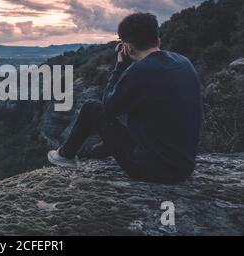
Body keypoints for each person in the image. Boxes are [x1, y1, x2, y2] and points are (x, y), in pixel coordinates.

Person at [48, 12, 203, 184]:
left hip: (152, 171)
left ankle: (65, 155)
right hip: (184, 167)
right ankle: (99, 152)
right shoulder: (183, 62)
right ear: (158, 40)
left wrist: (120, 67)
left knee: (92, 108)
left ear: (128, 48)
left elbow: (108, 108)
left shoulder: (140, 71)